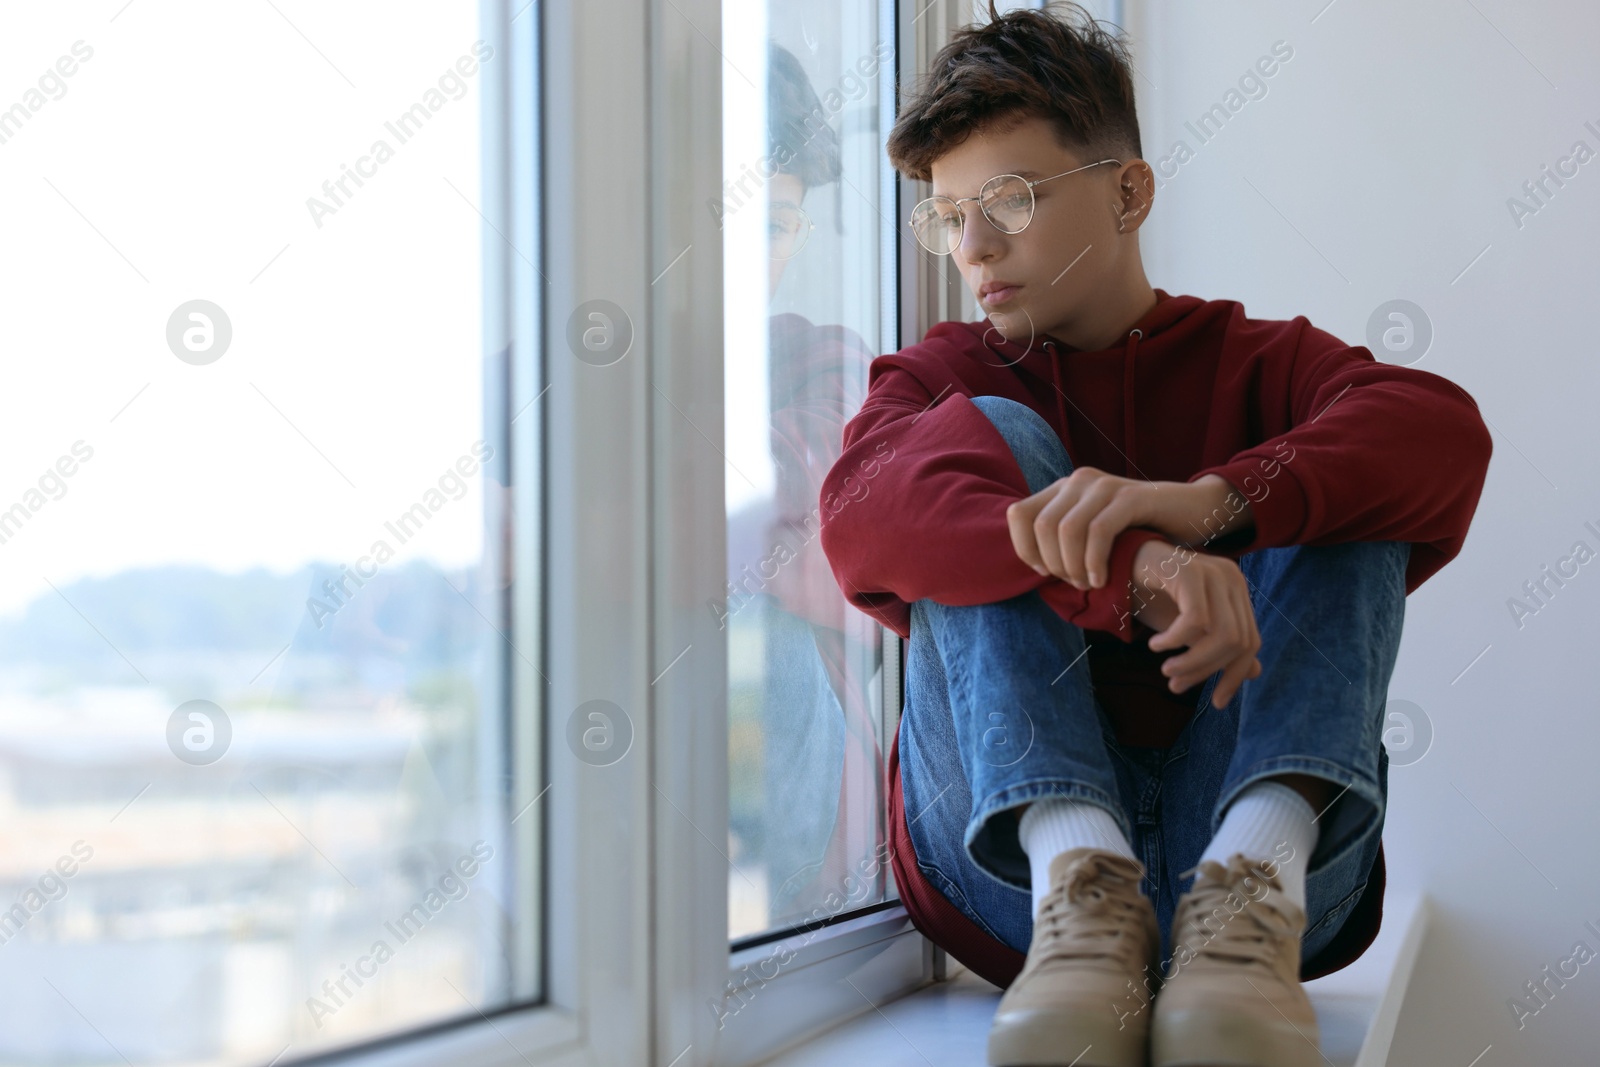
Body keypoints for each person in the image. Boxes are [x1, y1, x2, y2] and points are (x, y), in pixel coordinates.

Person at [815, 5, 1491, 1066]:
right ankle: (1076, 869)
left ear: (1127, 191)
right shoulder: (940, 372)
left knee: (1343, 464)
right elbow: (860, 516)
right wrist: (1131, 566)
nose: (973, 247)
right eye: (945, 217)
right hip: (1010, 872)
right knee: (974, 446)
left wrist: (1214, 499)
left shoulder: (1258, 360)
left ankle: (1250, 878)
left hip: (1269, 863)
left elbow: (1440, 432)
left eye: (1007, 199)